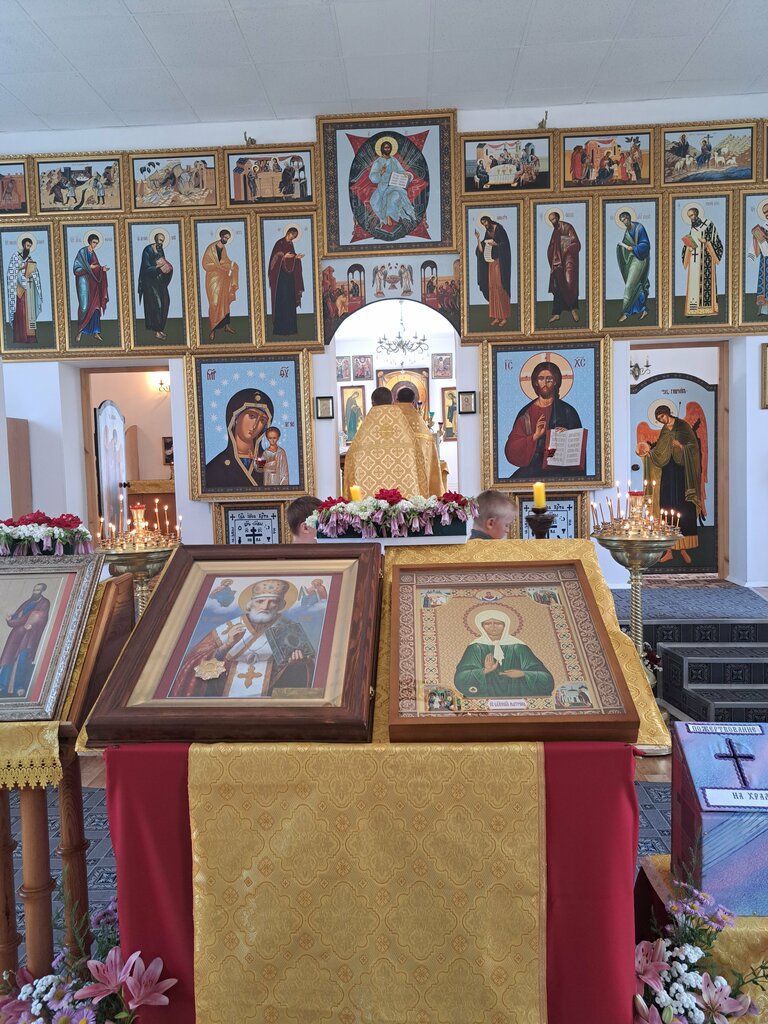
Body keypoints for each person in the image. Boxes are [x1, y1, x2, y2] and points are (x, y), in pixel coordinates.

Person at [169, 579, 316, 698]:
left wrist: (296, 665)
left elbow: (305, 672)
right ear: (250, 604)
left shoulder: (290, 629)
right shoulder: (227, 629)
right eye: (260, 601)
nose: (265, 606)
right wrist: (226, 646)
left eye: (273, 602)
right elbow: (193, 666)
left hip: (269, 701)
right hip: (222, 696)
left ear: (281, 605)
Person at [637, 405, 702, 565]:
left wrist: (680, 446)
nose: (661, 420)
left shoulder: (683, 426)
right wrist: (648, 453)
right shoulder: (665, 431)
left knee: (684, 509)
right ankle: (669, 551)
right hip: (668, 474)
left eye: (662, 417)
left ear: (667, 413)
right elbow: (659, 452)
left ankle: (684, 549)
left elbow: (694, 447)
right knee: (667, 508)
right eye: (658, 419)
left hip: (682, 474)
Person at [342, 392, 439, 498]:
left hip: (370, 502)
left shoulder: (364, 433)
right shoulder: (403, 428)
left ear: (372, 403)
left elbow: (350, 458)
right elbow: (418, 458)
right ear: (392, 401)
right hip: (405, 500)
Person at [454, 608, 554, 700]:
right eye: (488, 623)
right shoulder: (476, 647)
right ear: (481, 626)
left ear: (505, 625)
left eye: (498, 623)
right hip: (485, 697)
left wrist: (522, 673)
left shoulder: (518, 646)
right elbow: (460, 677)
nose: (493, 626)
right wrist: (485, 670)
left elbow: (546, 677)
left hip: (517, 696)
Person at [504, 361, 582, 479]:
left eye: (549, 379)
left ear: (555, 382)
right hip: (533, 467)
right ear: (536, 382)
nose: (545, 383)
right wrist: (535, 436)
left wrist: (568, 436)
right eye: (541, 379)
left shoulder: (568, 412)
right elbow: (512, 449)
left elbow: (579, 447)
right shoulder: (526, 413)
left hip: (561, 469)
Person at [205, 388, 274, 489]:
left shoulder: (267, 461)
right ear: (235, 418)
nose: (255, 425)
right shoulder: (215, 467)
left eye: (262, 420)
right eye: (251, 416)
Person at [0, 583, 50, 696]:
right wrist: (11, 618)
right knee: (9, 658)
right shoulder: (27, 603)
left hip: (28, 637)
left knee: (22, 660)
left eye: (38, 590)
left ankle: (19, 686)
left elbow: (42, 618)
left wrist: (32, 623)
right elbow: (18, 617)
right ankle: (2, 684)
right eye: (34, 589)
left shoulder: (44, 603)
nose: (35, 592)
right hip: (16, 635)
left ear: (42, 591)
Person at [681, 206, 723, 316]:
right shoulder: (692, 229)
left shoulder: (708, 224)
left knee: (705, 284)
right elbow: (689, 243)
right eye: (689, 216)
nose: (691, 218)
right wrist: (688, 248)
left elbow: (717, 242)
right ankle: (693, 309)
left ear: (697, 214)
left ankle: (707, 309)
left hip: (706, 260)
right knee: (693, 284)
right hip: (694, 262)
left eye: (692, 215)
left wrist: (706, 241)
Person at [474, 215, 512, 327]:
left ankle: (504, 317)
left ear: (489, 221)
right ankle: (496, 316)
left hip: (500, 263)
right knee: (492, 289)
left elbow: (505, 245)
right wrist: (478, 238)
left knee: (500, 287)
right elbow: (481, 250)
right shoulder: (487, 232)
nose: (485, 225)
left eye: (485, 222)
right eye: (483, 224)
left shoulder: (499, 229)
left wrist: (495, 244)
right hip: (491, 264)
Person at [202, 228, 239, 341]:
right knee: (214, 303)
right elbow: (205, 264)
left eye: (228, 238)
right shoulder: (211, 248)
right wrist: (218, 265)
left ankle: (226, 326)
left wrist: (231, 266)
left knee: (225, 302)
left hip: (223, 278)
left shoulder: (223, 248)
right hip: (213, 278)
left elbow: (226, 261)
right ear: (221, 236)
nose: (226, 240)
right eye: (225, 237)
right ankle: (213, 329)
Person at [6, 236, 43, 344]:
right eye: (27, 246)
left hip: (29, 290)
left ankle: (30, 338)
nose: (28, 248)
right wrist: (23, 269)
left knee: (29, 312)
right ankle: (21, 337)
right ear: (23, 245)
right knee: (21, 312)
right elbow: (12, 271)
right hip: (19, 291)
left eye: (30, 246)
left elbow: (34, 272)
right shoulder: (16, 256)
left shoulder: (29, 258)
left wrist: (32, 271)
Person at [73, 233, 110, 342]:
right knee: (84, 306)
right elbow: (76, 269)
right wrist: (89, 267)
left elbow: (96, 267)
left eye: (96, 243)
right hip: (84, 281)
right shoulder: (82, 252)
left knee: (96, 306)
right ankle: (80, 331)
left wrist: (102, 269)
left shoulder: (93, 254)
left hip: (93, 284)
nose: (95, 245)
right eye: (94, 242)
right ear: (89, 241)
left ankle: (95, 332)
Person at [268, 226, 304, 336]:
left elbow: (291, 259)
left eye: (295, 237)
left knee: (290, 301)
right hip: (280, 278)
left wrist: (296, 258)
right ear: (288, 233)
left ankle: (291, 329)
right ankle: (280, 329)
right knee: (282, 300)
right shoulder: (279, 243)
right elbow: (274, 258)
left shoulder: (290, 244)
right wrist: (284, 256)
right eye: (292, 235)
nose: (293, 238)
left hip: (289, 278)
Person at [545, 211, 581, 323]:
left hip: (568, 263)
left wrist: (566, 249)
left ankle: (573, 310)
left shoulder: (567, 227)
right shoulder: (555, 230)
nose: (552, 222)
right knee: (557, 287)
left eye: (553, 219)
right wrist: (552, 253)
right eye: (550, 220)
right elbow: (553, 246)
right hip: (558, 263)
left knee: (569, 284)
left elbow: (576, 244)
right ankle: (556, 314)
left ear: (557, 218)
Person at [615, 210, 651, 322]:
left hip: (640, 258)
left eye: (625, 220)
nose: (624, 223)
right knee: (636, 285)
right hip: (632, 258)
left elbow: (646, 245)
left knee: (629, 285)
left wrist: (634, 248)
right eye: (622, 221)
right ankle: (643, 309)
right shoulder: (627, 231)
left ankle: (625, 312)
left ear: (629, 218)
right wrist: (621, 247)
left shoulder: (639, 228)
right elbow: (626, 243)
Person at [138, 230, 173, 340]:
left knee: (166, 301)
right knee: (157, 305)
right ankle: (157, 331)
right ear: (155, 239)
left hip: (160, 280)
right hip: (150, 282)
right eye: (160, 240)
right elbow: (146, 268)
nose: (161, 243)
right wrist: (158, 268)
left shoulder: (160, 249)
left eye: (163, 241)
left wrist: (167, 269)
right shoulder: (147, 250)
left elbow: (163, 262)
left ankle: (161, 329)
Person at [748, 199, 768, 316]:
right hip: (765, 260)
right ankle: (765, 310)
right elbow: (756, 251)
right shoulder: (762, 227)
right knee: (765, 285)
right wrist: (756, 238)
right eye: (765, 212)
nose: (766, 214)